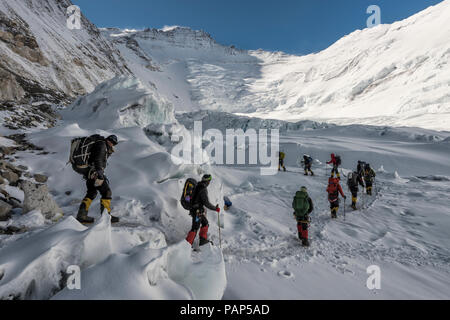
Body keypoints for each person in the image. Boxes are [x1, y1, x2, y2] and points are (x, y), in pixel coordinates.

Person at [76, 135, 120, 224]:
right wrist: (100, 174)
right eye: (111, 142)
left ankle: (81, 215)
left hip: (89, 173)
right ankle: (106, 217)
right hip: (95, 173)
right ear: (108, 140)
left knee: (92, 192)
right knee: (107, 192)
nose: (112, 144)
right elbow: (98, 159)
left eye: (114, 143)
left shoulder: (101, 144)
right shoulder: (102, 145)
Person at [185, 174, 220, 247]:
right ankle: (186, 246)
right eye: (209, 181)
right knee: (195, 228)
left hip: (196, 211)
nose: (209, 183)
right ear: (208, 181)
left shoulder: (198, 186)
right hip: (197, 212)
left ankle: (203, 241)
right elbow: (206, 203)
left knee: (205, 223)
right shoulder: (203, 189)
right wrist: (215, 208)